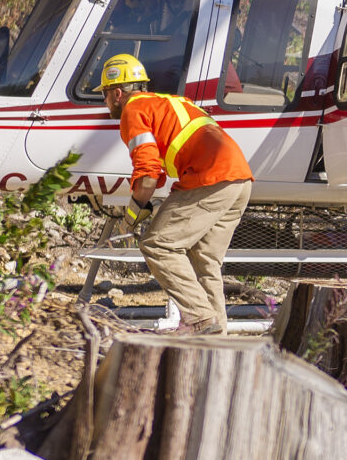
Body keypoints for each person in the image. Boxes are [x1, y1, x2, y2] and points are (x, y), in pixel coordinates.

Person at [100, 53, 254, 334]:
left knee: (157, 245)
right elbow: (156, 173)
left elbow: (146, 175)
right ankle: (214, 341)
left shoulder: (133, 111)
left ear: (118, 93)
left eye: (106, 95)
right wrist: (144, 201)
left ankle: (199, 318)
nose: (106, 102)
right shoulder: (169, 101)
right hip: (240, 179)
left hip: (210, 177)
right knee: (204, 260)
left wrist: (129, 219)